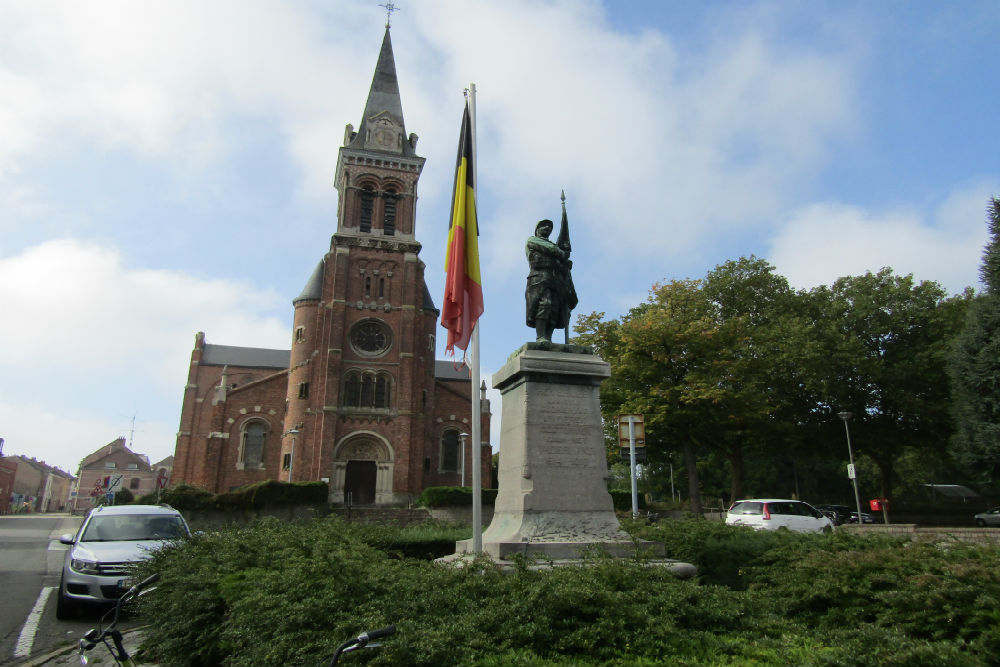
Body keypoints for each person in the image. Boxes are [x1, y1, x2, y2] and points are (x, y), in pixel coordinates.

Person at [525, 219, 578, 343]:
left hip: (555, 280)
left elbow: (560, 260)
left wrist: (564, 265)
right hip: (539, 279)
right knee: (545, 304)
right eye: (544, 225)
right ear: (537, 229)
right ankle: (540, 337)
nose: (548, 228)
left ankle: (548, 338)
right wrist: (561, 254)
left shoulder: (553, 246)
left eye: (550, 226)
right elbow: (552, 250)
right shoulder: (532, 240)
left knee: (555, 309)